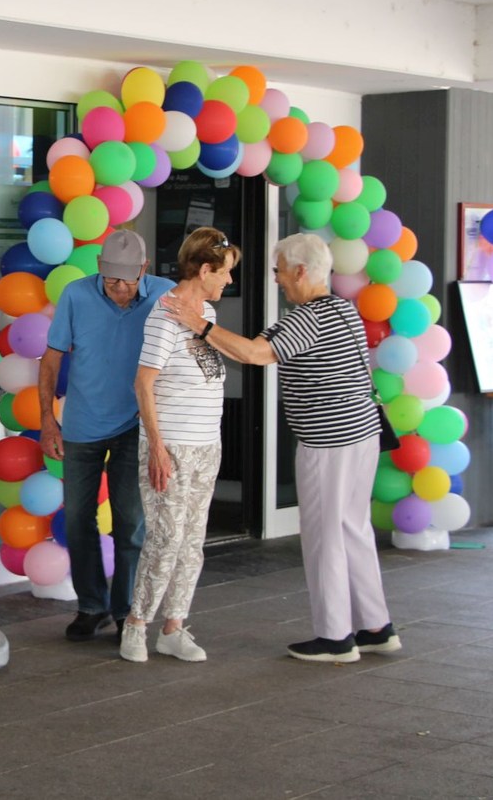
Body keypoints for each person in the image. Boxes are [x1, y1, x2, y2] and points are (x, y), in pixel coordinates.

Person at [162, 232, 401, 663]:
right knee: (353, 529)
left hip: (328, 442)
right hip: (362, 434)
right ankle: (376, 627)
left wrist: (199, 324)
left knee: (325, 536)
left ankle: (335, 638)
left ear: (301, 271)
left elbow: (254, 354)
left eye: (279, 270)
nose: (276, 279)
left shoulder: (307, 318)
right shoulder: (342, 308)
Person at [39, 229, 176, 641]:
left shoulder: (165, 296)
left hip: (135, 426)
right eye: (111, 278)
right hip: (82, 425)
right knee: (78, 520)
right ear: (99, 267)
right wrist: (48, 420)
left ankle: (126, 611)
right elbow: (51, 360)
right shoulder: (76, 295)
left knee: (130, 522)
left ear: (144, 269)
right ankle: (91, 606)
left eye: (127, 280)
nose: (118, 288)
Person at [120, 227, 239, 664]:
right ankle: (136, 625)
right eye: (225, 272)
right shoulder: (164, 315)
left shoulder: (204, 311)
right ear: (205, 269)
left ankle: (173, 628)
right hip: (171, 447)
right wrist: (156, 447)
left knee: (191, 540)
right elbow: (143, 384)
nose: (229, 280)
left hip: (207, 446)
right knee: (166, 539)